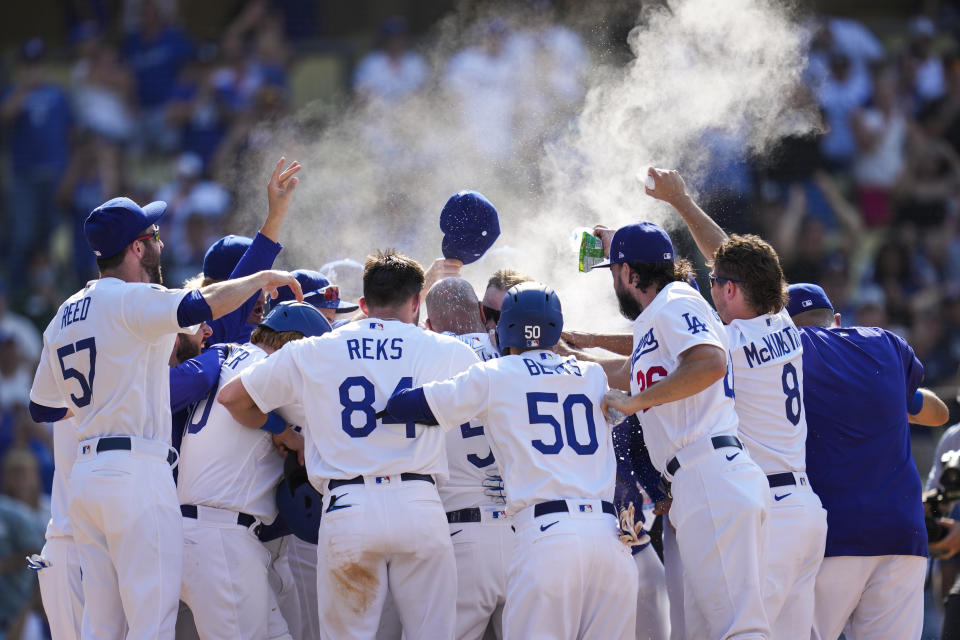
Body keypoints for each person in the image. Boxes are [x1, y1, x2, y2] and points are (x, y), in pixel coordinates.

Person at [27, 195, 301, 639]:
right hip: (135, 471)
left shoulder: (64, 314)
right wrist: (260, 278)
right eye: (152, 235)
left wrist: (104, 400)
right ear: (136, 248)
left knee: (102, 624)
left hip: (86, 477)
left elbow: (41, 407)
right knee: (151, 622)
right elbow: (200, 306)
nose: (159, 242)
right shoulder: (134, 299)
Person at [218, 249, 479, 640]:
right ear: (416, 302)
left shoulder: (316, 349)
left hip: (348, 507)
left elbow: (232, 398)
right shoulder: (446, 350)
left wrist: (281, 430)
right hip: (419, 505)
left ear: (362, 304)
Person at [383, 282, 638, 639]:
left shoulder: (496, 374)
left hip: (547, 539)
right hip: (609, 540)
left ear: (504, 328)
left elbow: (409, 407)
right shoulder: (591, 375)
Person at [642, 168, 828, 639]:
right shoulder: (783, 321)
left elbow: (666, 350)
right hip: (805, 509)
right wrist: (681, 200)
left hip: (769, 509)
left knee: (737, 633)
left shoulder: (730, 340)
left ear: (730, 291)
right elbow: (731, 261)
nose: (711, 290)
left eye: (716, 284)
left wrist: (582, 342)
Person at [599, 221, 771, 639]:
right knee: (701, 631)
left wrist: (637, 402)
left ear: (629, 274)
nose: (613, 282)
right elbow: (631, 373)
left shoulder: (676, 300)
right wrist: (569, 357)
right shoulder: (660, 314)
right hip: (701, 477)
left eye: (613, 271)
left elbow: (710, 363)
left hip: (710, 472)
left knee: (739, 629)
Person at [785, 283, 949, 640]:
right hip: (902, 538)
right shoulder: (882, 344)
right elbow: (939, 413)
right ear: (838, 321)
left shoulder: (789, 356)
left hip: (834, 538)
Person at [177, 301, 331, 640]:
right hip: (221, 536)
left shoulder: (233, 354)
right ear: (296, 343)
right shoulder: (274, 369)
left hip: (207, 532)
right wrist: (286, 432)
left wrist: (279, 429)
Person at [423, 277, 512, 638]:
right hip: (524, 528)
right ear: (480, 311)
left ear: (429, 324)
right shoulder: (513, 354)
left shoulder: (425, 358)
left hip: (460, 532)